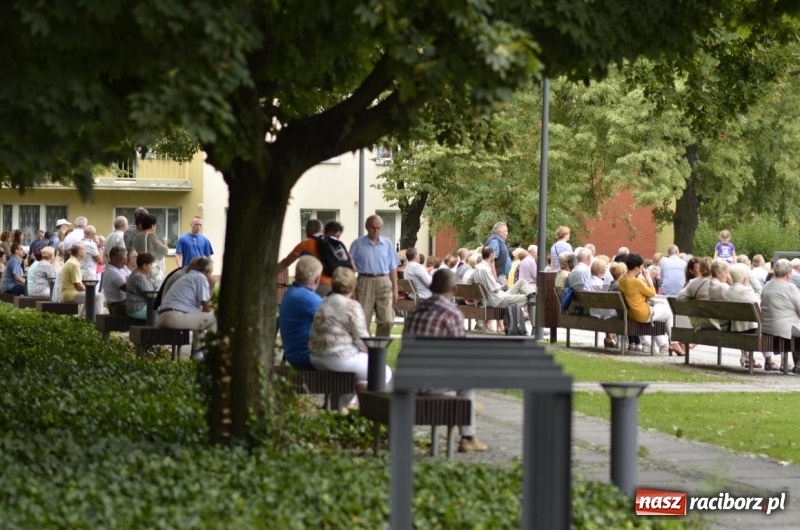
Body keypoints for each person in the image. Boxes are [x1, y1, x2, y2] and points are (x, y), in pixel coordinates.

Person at [403, 269, 487, 453]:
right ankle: (467, 437)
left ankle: (466, 411)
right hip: (430, 383)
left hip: (407, 379)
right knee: (468, 382)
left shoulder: (415, 310)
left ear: (432, 287)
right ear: (454, 290)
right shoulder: (452, 313)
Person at [309, 267, 392, 412]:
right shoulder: (351, 306)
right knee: (383, 373)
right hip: (340, 357)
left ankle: (342, 406)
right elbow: (363, 340)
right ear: (353, 286)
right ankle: (357, 405)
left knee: (358, 373)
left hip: (316, 356)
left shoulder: (323, 302)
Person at [618, 253, 682, 356]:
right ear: (636, 268)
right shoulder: (635, 282)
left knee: (661, 313)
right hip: (643, 314)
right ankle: (674, 343)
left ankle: (662, 345)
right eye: (641, 267)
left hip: (632, 314)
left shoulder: (622, 280)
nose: (642, 269)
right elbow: (652, 293)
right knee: (670, 312)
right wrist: (647, 277)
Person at [349, 215, 401, 337]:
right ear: (367, 227)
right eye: (373, 228)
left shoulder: (387, 244)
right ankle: (365, 349)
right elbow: (350, 268)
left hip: (384, 281)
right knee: (362, 321)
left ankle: (379, 348)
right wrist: (351, 289)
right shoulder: (357, 244)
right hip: (364, 281)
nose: (375, 231)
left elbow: (393, 267)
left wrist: (395, 288)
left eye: (378, 228)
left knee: (387, 320)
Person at [157, 257, 217, 360]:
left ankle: (197, 356)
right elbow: (206, 308)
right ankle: (209, 353)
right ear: (208, 271)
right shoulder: (200, 278)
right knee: (216, 318)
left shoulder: (189, 276)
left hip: (165, 316)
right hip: (174, 316)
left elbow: (202, 311)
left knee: (201, 322)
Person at [470, 246, 535, 331]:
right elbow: (495, 289)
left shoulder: (477, 267)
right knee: (530, 299)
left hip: (493, 297)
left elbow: (470, 281)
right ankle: (535, 328)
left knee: (522, 282)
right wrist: (501, 284)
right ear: (491, 255)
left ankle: (531, 295)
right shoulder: (485, 269)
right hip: (496, 300)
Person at [278, 255, 324, 370]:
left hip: (296, 353)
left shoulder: (293, 292)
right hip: (306, 356)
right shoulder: (306, 297)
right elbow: (336, 318)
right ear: (317, 279)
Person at [760, 259, 800, 373]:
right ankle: (799, 365)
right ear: (788, 273)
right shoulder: (791, 288)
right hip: (785, 328)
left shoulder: (767, 285)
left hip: (767, 327)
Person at [278, 219, 334, 296]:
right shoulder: (332, 243)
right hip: (332, 286)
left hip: (315, 286)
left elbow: (285, 263)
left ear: (307, 231)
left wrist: (268, 275)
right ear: (322, 230)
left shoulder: (305, 245)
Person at [725, 263, 763, 369]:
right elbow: (758, 305)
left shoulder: (728, 291)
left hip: (735, 327)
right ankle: (765, 360)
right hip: (750, 329)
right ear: (745, 278)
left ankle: (747, 356)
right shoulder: (746, 291)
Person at [60, 243, 105, 315]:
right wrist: (89, 290)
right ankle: (98, 321)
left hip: (68, 293)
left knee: (91, 296)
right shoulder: (74, 264)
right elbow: (78, 286)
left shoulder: (72, 261)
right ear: (79, 252)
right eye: (84, 250)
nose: (85, 252)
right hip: (70, 294)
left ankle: (85, 318)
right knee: (99, 296)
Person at [130, 213, 168, 287]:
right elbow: (164, 251)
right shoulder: (150, 235)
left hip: (139, 267)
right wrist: (165, 243)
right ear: (152, 225)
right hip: (150, 268)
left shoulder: (135, 237)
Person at [126, 253, 157, 320]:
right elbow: (150, 294)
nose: (151, 268)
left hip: (143, 306)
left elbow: (155, 287)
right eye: (151, 265)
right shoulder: (138, 277)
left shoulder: (143, 275)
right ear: (144, 266)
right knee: (163, 315)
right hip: (137, 308)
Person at [103, 247, 130, 316]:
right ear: (114, 259)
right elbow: (130, 290)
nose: (126, 262)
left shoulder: (120, 267)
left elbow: (132, 277)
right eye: (123, 259)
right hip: (118, 306)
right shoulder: (113, 272)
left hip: (124, 302)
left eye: (126, 259)